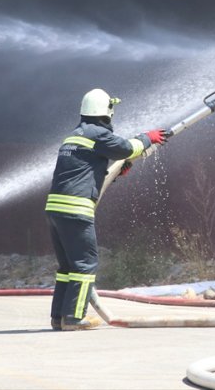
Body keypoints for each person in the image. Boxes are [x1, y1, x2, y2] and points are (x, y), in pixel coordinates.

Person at [46, 88, 171, 331]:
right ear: (106, 111)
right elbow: (126, 148)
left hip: (55, 209)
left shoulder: (74, 135)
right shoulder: (99, 134)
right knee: (85, 265)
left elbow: (81, 171)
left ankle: (58, 318)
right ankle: (74, 319)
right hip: (76, 209)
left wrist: (111, 174)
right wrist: (148, 137)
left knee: (68, 268)